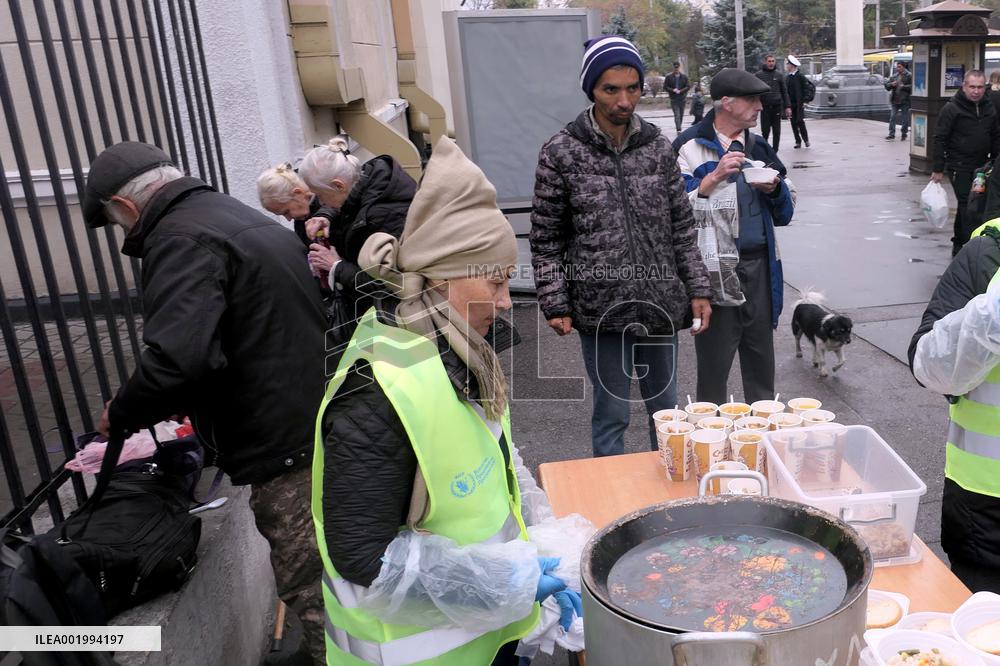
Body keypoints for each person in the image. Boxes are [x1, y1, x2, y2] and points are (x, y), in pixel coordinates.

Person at [314, 137, 581, 665]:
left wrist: (538, 543)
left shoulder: (457, 353)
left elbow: (492, 460)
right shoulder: (376, 392)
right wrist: (506, 583)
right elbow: (362, 557)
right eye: (496, 283)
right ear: (440, 278)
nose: (505, 303)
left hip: (488, 633)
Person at [81, 142, 328, 663]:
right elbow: (246, 328)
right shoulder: (232, 215)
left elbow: (178, 360)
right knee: (331, 576)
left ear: (125, 206)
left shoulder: (179, 238)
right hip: (313, 420)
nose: (123, 234)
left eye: (116, 223)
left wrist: (121, 413)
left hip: (285, 444)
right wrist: (189, 395)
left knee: (312, 589)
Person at [530, 34, 714, 458]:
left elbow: (681, 227)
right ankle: (611, 496)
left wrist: (698, 288)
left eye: (633, 88)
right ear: (591, 90)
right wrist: (555, 302)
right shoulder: (561, 152)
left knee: (666, 412)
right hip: (601, 309)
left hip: (659, 303)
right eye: (611, 89)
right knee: (612, 412)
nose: (624, 101)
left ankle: (668, 485)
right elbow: (546, 237)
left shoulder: (657, 148)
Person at [672, 68, 796, 404]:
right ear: (726, 103)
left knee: (761, 365)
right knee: (714, 368)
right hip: (713, 273)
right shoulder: (688, 146)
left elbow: (785, 213)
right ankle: (709, 432)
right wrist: (712, 179)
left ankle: (763, 429)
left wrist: (776, 190)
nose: (760, 106)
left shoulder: (759, 146)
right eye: (752, 99)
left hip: (760, 269)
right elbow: (672, 212)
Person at [909, 220, 1000, 593]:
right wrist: (988, 319)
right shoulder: (989, 251)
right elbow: (928, 367)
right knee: (982, 623)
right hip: (987, 511)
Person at [297, 137, 416, 340]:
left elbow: (393, 285)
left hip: (396, 327)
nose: (319, 203)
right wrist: (326, 215)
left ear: (338, 185)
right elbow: (351, 203)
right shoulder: (366, 178)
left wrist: (335, 266)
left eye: (320, 195)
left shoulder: (388, 215)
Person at [932, 70, 1000, 256]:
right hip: (959, 166)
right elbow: (940, 138)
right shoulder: (952, 108)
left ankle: (960, 243)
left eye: (980, 87)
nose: (976, 91)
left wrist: (996, 161)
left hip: (982, 166)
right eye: (972, 87)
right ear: (964, 86)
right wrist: (938, 168)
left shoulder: (988, 106)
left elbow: (995, 134)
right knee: (967, 205)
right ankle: (969, 247)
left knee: (973, 205)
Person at [257, 163, 339, 300]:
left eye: (286, 211)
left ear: (297, 193)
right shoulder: (302, 219)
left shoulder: (333, 203)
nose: (288, 219)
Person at [755, 54, 790, 151]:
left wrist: (788, 106)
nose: (771, 63)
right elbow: (755, 91)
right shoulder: (759, 75)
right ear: (765, 62)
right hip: (765, 108)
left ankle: (775, 151)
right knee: (765, 131)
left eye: (773, 61)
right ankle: (765, 151)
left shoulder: (779, 75)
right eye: (769, 61)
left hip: (777, 107)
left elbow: (784, 91)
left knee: (776, 132)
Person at [785, 55, 810, 149]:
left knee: (800, 121)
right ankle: (798, 141)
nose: (787, 66)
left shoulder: (800, 76)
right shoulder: (787, 77)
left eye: (788, 64)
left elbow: (807, 88)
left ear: (792, 65)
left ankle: (806, 139)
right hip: (790, 104)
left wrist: (805, 100)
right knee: (793, 123)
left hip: (799, 103)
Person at [885, 61, 912, 141]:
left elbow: (913, 86)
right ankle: (891, 134)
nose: (898, 68)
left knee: (905, 119)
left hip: (905, 100)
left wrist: (903, 86)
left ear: (903, 67)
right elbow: (887, 86)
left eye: (899, 67)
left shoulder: (909, 75)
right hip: (895, 100)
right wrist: (891, 84)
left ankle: (904, 134)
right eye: (897, 67)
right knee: (892, 117)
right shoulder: (894, 75)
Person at [665, 61, 691, 134]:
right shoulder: (669, 77)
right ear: (673, 68)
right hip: (674, 99)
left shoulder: (684, 77)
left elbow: (688, 86)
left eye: (677, 67)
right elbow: (665, 87)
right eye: (675, 67)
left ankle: (679, 127)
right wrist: (673, 90)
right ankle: (678, 129)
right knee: (677, 115)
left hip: (682, 99)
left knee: (681, 115)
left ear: (679, 67)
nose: (676, 69)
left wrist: (681, 91)